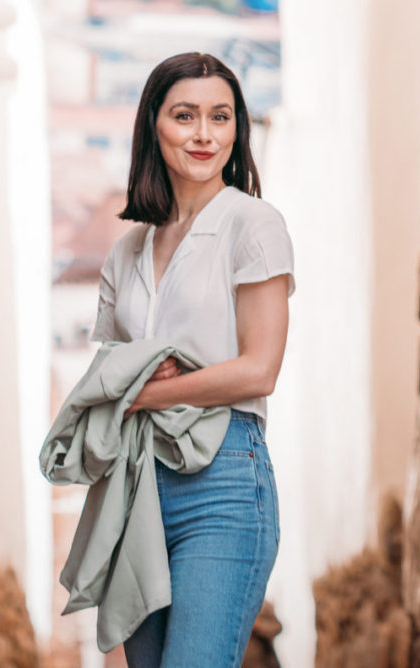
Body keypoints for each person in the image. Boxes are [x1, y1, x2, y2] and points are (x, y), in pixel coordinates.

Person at [92, 51, 295, 668]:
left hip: (223, 482)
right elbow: (104, 376)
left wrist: (146, 392)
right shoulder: (126, 252)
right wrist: (131, 386)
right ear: (154, 124)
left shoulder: (253, 224)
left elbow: (259, 369)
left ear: (238, 130)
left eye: (221, 117)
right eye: (186, 116)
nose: (205, 134)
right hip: (136, 487)